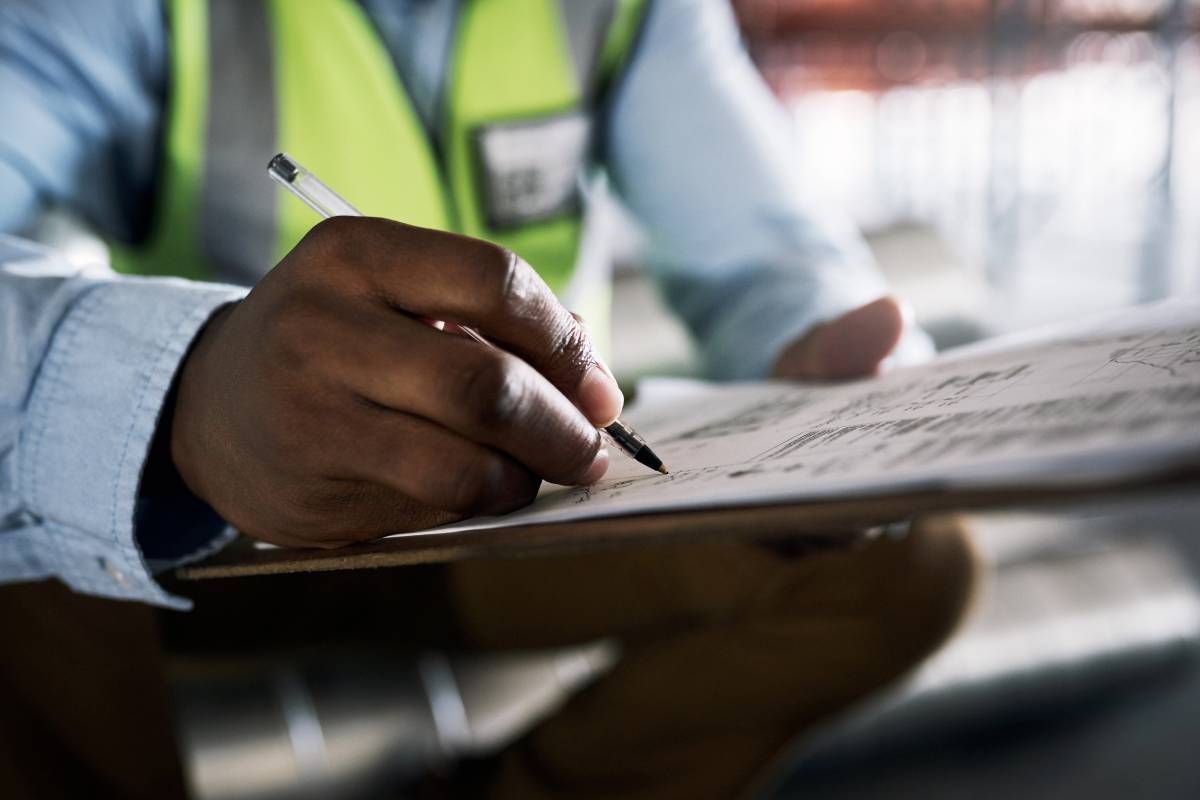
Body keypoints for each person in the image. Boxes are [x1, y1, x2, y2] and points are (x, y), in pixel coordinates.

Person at [0, 0, 979, 797]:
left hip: (513, 509)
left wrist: (823, 342)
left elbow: (765, 257)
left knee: (895, 552)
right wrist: (190, 390)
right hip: (212, 544)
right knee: (28, 494)